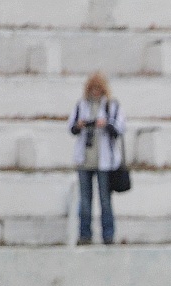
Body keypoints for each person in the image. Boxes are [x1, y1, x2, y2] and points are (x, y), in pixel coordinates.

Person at [66, 72, 126, 245]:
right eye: (93, 88)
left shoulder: (111, 106)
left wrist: (105, 124)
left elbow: (121, 128)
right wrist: (80, 125)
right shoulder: (81, 105)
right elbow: (71, 128)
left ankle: (108, 235)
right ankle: (85, 235)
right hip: (85, 160)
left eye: (98, 88)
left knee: (105, 200)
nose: (95, 92)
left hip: (105, 162)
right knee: (85, 201)